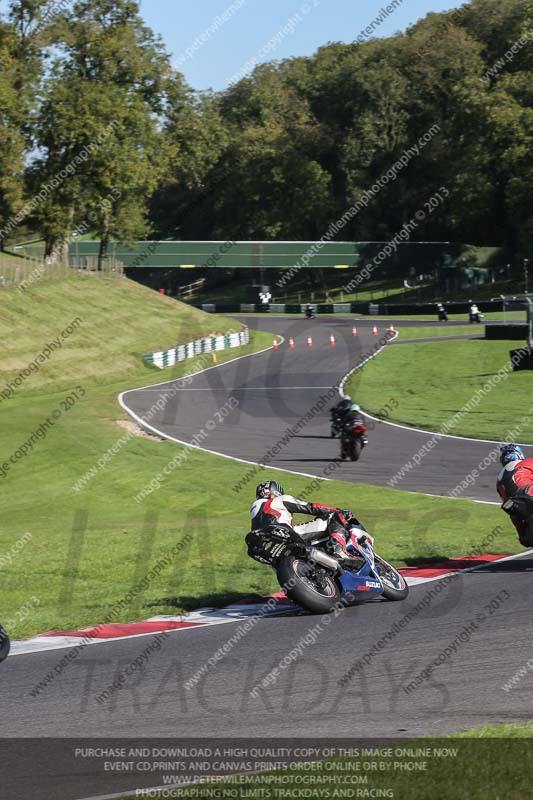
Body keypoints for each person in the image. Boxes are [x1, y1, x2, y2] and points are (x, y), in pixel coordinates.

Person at [248, 480, 372, 564]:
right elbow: (311, 507)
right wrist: (338, 511)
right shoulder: (279, 499)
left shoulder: (254, 508)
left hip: (262, 544)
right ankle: (338, 550)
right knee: (332, 517)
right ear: (276, 491)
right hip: (285, 532)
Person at [497, 444, 533, 547]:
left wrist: (521, 534)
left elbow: (507, 506)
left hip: (516, 507)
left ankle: (525, 536)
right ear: (519, 454)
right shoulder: (526, 462)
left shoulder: (499, 480)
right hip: (529, 495)